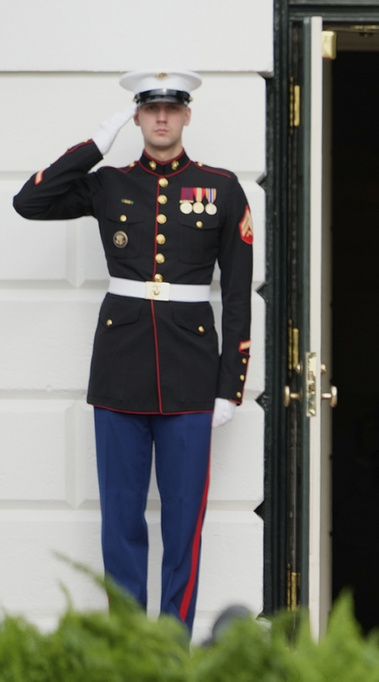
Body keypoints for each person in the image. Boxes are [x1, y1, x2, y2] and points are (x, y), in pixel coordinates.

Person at [12, 71, 254, 633]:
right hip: (119, 371)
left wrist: (230, 386)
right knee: (120, 520)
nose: (162, 118)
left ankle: (170, 648)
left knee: (183, 525)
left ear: (187, 115)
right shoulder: (108, 183)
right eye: (150, 110)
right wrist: (96, 144)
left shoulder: (221, 188)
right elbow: (30, 201)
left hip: (193, 376)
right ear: (138, 117)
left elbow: (238, 296)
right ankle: (127, 647)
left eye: (172, 108)